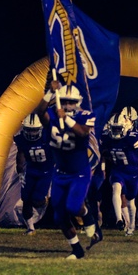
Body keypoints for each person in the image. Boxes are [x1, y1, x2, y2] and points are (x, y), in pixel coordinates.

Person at [35, 81, 102, 259]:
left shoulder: (85, 116)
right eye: (63, 101)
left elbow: (82, 132)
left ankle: (88, 218)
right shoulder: (52, 113)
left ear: (78, 102)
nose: (67, 105)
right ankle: (77, 250)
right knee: (59, 216)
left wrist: (66, 118)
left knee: (73, 206)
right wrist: (49, 93)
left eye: (71, 102)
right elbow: (39, 112)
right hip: (60, 173)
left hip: (79, 172)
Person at [101, 111, 138, 235]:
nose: (116, 131)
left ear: (125, 128)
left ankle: (131, 226)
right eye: (114, 129)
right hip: (118, 170)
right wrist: (103, 167)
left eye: (118, 129)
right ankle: (119, 219)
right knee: (116, 189)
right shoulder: (106, 137)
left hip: (132, 172)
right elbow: (103, 154)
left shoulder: (132, 137)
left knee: (131, 201)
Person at [14, 113, 54, 235]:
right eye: (29, 130)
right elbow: (20, 154)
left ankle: (44, 202)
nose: (31, 134)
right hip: (31, 170)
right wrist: (20, 171)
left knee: (37, 199)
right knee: (26, 199)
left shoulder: (48, 136)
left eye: (34, 130)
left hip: (46, 171)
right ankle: (30, 228)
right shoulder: (21, 138)